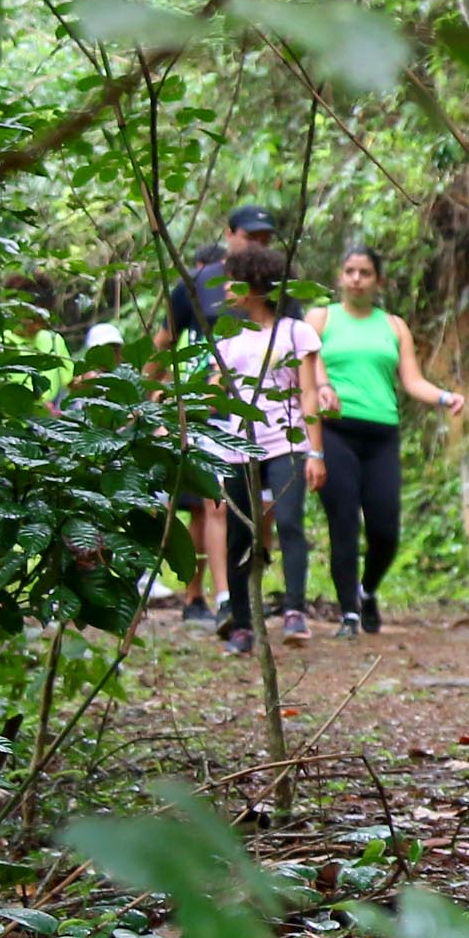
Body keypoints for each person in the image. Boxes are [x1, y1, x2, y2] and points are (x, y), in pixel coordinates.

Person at [315, 246, 469, 637]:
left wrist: (443, 396)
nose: (356, 279)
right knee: (344, 521)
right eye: (349, 271)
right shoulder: (321, 319)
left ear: (378, 281)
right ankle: (348, 612)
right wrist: (322, 387)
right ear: (340, 277)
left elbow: (412, 380)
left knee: (386, 529)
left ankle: (367, 590)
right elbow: (306, 364)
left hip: (382, 433)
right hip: (336, 430)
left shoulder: (394, 325)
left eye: (365, 272)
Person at [209, 241, 329, 654]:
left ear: (253, 285)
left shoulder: (296, 333)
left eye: (231, 282)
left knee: (290, 523)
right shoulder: (227, 338)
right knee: (240, 536)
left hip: (287, 440)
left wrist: (315, 453)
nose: (224, 290)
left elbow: (309, 394)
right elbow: (215, 393)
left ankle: (294, 610)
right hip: (239, 445)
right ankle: (242, 623)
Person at [159, 240, 232, 626]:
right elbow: (163, 348)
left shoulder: (236, 306)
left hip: (221, 413)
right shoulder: (186, 296)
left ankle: (209, 596)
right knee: (198, 508)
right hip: (187, 412)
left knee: (210, 508)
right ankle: (198, 595)